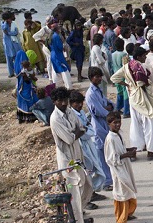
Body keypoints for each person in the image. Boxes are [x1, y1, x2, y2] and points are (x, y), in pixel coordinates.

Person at [110, 47, 153, 161]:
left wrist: (127, 85)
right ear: (139, 57)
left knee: (135, 125)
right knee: (149, 124)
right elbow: (147, 83)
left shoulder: (126, 67)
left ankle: (135, 151)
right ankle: (151, 152)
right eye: (144, 56)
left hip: (133, 98)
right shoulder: (142, 67)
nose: (145, 57)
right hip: (143, 98)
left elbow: (114, 78)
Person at [49, 87, 94, 223]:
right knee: (73, 187)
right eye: (60, 101)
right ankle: (75, 219)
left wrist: (75, 133)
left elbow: (81, 127)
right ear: (54, 102)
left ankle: (79, 213)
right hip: (66, 158)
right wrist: (76, 132)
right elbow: (69, 138)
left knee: (86, 184)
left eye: (65, 100)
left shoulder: (68, 111)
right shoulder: (55, 119)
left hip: (77, 152)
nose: (63, 103)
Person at [70, 91, 108, 194]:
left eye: (81, 102)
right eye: (76, 103)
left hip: (88, 143)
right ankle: (89, 195)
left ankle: (93, 191)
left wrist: (86, 130)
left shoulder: (81, 113)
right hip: (81, 145)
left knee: (95, 167)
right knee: (86, 170)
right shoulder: (72, 116)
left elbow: (89, 129)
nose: (79, 105)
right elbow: (84, 132)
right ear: (71, 104)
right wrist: (86, 130)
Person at [104, 111, 138, 223]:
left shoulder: (118, 134)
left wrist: (128, 150)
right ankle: (121, 217)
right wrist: (127, 154)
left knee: (128, 189)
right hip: (118, 170)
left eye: (119, 122)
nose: (118, 125)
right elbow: (111, 158)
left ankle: (128, 213)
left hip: (125, 166)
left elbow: (120, 149)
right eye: (115, 123)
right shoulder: (110, 139)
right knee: (121, 192)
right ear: (109, 124)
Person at [84, 66, 114, 189]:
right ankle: (106, 182)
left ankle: (110, 178)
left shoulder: (98, 90)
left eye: (100, 76)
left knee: (108, 151)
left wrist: (110, 107)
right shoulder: (90, 94)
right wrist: (108, 111)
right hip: (98, 125)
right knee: (101, 153)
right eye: (97, 77)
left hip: (104, 123)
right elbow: (98, 110)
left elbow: (108, 103)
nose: (100, 78)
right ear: (91, 78)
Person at [14, 51, 38, 123]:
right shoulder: (28, 68)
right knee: (30, 98)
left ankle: (22, 118)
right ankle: (31, 116)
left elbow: (17, 76)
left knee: (22, 100)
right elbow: (33, 76)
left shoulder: (17, 66)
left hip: (21, 87)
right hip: (27, 85)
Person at [50, 23, 73, 89]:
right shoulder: (56, 36)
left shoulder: (51, 36)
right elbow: (59, 47)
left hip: (53, 54)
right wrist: (63, 47)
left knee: (55, 71)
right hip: (58, 55)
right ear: (57, 29)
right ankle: (69, 87)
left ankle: (56, 86)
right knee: (65, 71)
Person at [111, 38, 130, 117]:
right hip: (122, 76)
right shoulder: (124, 54)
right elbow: (125, 66)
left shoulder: (113, 54)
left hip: (115, 74)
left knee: (119, 92)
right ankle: (126, 111)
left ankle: (117, 108)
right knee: (125, 93)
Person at [1, 12, 23, 77]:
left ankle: (18, 71)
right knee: (9, 59)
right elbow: (4, 29)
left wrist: (8, 33)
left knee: (17, 58)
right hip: (7, 44)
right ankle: (11, 73)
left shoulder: (14, 24)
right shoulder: (3, 23)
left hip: (15, 43)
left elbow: (16, 32)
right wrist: (6, 22)